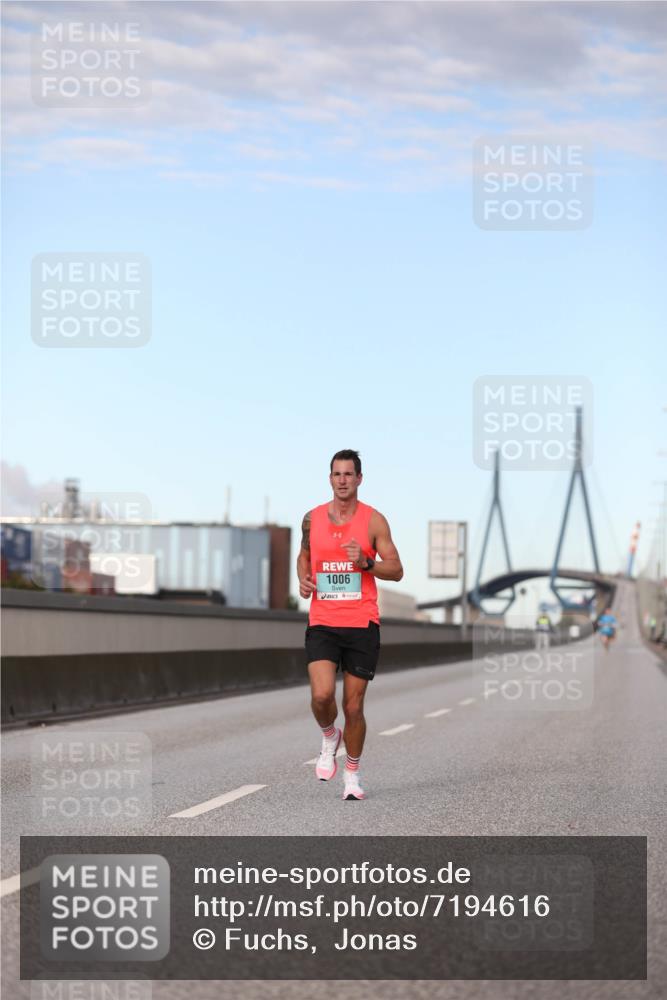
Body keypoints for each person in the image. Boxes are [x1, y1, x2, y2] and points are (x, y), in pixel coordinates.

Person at [297, 449, 403, 801]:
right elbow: (304, 556)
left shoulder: (374, 521)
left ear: (359, 479)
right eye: (336, 474)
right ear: (330, 478)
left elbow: (397, 570)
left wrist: (367, 562)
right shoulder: (311, 519)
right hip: (324, 621)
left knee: (354, 707)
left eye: (348, 474)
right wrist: (303, 579)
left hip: (361, 623)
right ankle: (330, 735)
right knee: (322, 695)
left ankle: (352, 775)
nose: (342, 480)